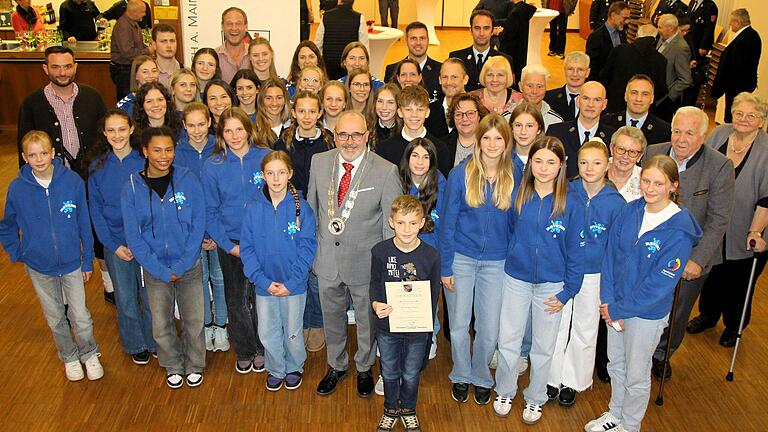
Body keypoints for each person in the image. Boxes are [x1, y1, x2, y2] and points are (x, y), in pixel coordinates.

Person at [585, 155, 702, 432]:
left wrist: (619, 309)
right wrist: (608, 301)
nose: (650, 188)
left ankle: (631, 424)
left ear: (673, 186)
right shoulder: (631, 210)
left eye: (658, 183)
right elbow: (610, 257)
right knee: (616, 365)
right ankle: (615, 413)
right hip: (614, 306)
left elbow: (660, 284)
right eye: (646, 181)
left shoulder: (679, 229)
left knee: (636, 374)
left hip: (645, 314)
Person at [306, 110, 401, 398]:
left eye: (356, 134)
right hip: (327, 260)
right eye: (343, 134)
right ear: (334, 135)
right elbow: (312, 211)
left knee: (366, 320)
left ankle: (363, 367)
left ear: (367, 136)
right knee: (331, 317)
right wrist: (311, 254)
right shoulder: (319, 162)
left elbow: (390, 226)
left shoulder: (386, 171)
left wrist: (387, 269)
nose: (349, 141)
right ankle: (336, 364)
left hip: (366, 263)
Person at [0, 130, 103, 382]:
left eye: (44, 153)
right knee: (56, 317)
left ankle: (89, 353)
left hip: (71, 263)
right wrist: (18, 252)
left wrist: (87, 257)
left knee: (80, 316)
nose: (39, 159)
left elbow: (83, 223)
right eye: (32, 155)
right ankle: (69, 357)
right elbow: (7, 225)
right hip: (39, 267)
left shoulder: (72, 183)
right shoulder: (17, 189)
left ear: (53, 153)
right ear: (24, 158)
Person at [493, 135, 582, 422]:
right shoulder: (519, 194)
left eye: (551, 162)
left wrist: (568, 291)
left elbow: (575, 251)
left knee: (544, 346)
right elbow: (509, 232)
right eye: (538, 161)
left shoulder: (572, 202)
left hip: (552, 285)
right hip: (516, 278)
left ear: (561, 166)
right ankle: (505, 389)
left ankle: (535, 397)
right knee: (509, 340)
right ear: (530, 163)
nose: (543, 168)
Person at [645, 107, 735, 381]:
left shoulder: (720, 166)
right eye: (676, 131)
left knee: (677, 312)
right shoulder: (652, 153)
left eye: (689, 133)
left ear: (703, 136)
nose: (681, 139)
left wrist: (697, 259)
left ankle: (662, 355)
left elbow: (719, 219)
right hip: (649, 252)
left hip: (689, 258)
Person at [439, 113, 517, 406]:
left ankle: (482, 375)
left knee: (489, 327)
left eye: (498, 138)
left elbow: (516, 223)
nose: (492, 143)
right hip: (461, 258)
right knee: (459, 324)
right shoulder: (462, 174)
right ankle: (461, 373)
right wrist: (446, 265)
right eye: (487, 138)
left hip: (497, 262)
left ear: (506, 142)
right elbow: (447, 223)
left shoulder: (515, 173)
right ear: (478, 140)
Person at [121, 126, 206, 389]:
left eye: (169, 150)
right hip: (154, 268)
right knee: (160, 323)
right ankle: (172, 364)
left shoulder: (188, 179)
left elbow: (198, 223)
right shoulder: (132, 186)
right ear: (145, 151)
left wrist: (182, 263)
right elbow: (133, 235)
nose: (163, 155)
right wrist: (157, 268)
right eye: (157, 150)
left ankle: (194, 364)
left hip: (188, 264)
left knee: (194, 320)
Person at [547, 140, 625, 408]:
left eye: (596, 163)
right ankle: (551, 376)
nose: (589, 168)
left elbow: (617, 247)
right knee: (557, 324)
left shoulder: (616, 203)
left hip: (594, 273)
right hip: (564, 267)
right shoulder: (567, 191)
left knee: (585, 326)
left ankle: (573, 380)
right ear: (575, 165)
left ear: (608, 165)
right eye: (583, 162)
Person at [689, 93, 768, 348]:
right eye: (739, 114)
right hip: (713, 219)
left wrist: (755, 231)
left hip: (749, 225)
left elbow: (767, 199)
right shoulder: (719, 134)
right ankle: (708, 315)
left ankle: (734, 326)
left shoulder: (766, 151)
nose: (744, 119)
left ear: (762, 121)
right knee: (711, 271)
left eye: (751, 115)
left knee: (739, 279)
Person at [241, 150, 318, 391]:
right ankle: (275, 368)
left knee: (293, 331)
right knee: (267, 331)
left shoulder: (302, 209)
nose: (276, 179)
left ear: (290, 174)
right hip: (265, 286)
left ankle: (294, 366)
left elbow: (307, 248)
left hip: (292, 286)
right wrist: (262, 281)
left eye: (281, 173)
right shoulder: (253, 208)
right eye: (270, 173)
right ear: (262, 175)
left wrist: (293, 282)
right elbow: (248, 248)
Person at [203, 107, 271, 374]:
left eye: (239, 129)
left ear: (248, 130)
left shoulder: (265, 156)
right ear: (220, 134)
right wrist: (229, 246)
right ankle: (245, 348)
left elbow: (277, 197)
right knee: (236, 298)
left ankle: (264, 346)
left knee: (261, 296)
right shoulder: (213, 165)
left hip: (262, 240)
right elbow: (210, 210)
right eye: (228, 130)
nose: (234, 136)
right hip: (230, 241)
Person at [86, 109, 155, 365]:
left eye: (122, 129)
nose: (117, 135)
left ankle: (154, 339)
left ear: (132, 129)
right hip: (116, 245)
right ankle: (135, 343)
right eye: (111, 130)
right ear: (105, 133)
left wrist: (146, 242)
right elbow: (96, 210)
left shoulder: (144, 161)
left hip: (147, 243)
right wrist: (113, 245)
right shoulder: (97, 166)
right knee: (126, 299)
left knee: (150, 297)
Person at [370, 195, 440, 432]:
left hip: (417, 328)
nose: (406, 229)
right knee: (389, 370)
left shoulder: (431, 256)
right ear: (391, 222)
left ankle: (408, 409)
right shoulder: (380, 251)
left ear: (422, 223)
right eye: (401, 223)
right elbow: (375, 284)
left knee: (411, 372)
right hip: (387, 326)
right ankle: (390, 409)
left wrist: (427, 330)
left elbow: (432, 298)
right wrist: (375, 303)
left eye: (412, 223)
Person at [274, 92, 335, 354]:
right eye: (302, 111)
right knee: (299, 262)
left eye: (313, 111)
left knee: (317, 267)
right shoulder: (283, 141)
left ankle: (317, 321)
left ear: (320, 113)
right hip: (292, 211)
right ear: (294, 112)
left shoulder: (329, 141)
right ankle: (299, 321)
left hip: (322, 211)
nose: (307, 117)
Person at [174, 102, 229, 353]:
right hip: (190, 232)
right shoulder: (176, 153)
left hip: (217, 229)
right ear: (184, 126)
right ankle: (206, 326)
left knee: (219, 278)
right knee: (199, 280)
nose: (196, 130)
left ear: (210, 123)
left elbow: (222, 195)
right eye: (191, 125)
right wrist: (196, 234)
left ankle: (222, 325)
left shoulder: (219, 149)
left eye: (201, 124)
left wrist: (215, 233)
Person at [18, 45, 107, 178]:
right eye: (55, 67)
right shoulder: (31, 103)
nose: (62, 73)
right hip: (52, 177)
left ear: (76, 67)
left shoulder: (93, 97)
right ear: (45, 69)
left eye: (67, 66)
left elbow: (104, 136)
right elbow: (24, 145)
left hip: (92, 174)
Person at [377, 85, 451, 177]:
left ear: (427, 112)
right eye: (408, 109)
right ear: (400, 112)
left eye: (420, 109)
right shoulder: (384, 150)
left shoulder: (440, 149)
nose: (414, 115)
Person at [547, 81, 615, 178]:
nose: (590, 105)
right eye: (586, 98)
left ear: (604, 104)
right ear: (578, 101)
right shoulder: (556, 132)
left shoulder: (612, 137)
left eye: (597, 100)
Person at [600, 24, 668, 114]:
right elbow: (661, 89)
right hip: (644, 111)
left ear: (637, 35)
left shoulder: (620, 50)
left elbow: (604, 76)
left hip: (616, 107)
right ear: (655, 38)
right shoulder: (661, 59)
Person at [711, 9, 762, 124]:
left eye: (731, 22)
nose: (729, 25)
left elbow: (735, 67)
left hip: (736, 87)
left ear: (737, 22)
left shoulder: (743, 39)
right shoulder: (753, 35)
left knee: (732, 117)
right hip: (743, 85)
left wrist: (721, 86)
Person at [449, 9, 514, 92]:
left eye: (486, 28)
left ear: (492, 31)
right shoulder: (457, 58)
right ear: (471, 30)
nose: (481, 33)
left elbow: (510, 90)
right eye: (477, 28)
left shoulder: (505, 59)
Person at [602, 75, 671, 146]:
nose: (639, 99)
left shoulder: (663, 130)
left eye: (645, 94)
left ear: (652, 99)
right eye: (634, 93)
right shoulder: (606, 122)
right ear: (625, 96)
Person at [384, 22, 442, 101]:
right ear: (406, 41)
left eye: (422, 38)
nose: (418, 43)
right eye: (413, 38)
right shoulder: (391, 70)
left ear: (428, 40)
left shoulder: (440, 70)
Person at [315, 0, 370, 80]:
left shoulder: (326, 16)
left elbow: (318, 44)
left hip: (329, 67)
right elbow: (364, 48)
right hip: (350, 67)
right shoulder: (359, 18)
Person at [110, 0, 153, 101]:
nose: (145, 14)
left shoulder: (133, 23)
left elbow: (138, 45)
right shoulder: (123, 26)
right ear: (134, 12)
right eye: (143, 11)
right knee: (126, 99)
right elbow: (127, 52)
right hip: (123, 71)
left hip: (128, 69)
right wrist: (148, 51)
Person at [655, 14, 693, 123]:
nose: (658, 30)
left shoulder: (681, 47)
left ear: (670, 28)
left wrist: (669, 96)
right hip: (656, 98)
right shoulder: (662, 40)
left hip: (665, 102)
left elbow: (685, 79)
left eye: (660, 27)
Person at [586, 1, 630, 82]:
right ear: (613, 15)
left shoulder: (622, 34)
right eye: (625, 18)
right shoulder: (596, 37)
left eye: (628, 18)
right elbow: (593, 68)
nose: (627, 22)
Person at [425, 59, 469, 138]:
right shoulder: (429, 111)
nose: (448, 82)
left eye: (454, 77)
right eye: (445, 77)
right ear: (439, 80)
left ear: (465, 79)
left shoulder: (477, 109)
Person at [444, 92, 489, 169]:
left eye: (470, 113)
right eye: (458, 114)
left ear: (479, 116)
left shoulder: (490, 144)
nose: (464, 119)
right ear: (453, 118)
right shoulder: (442, 146)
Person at [471, 56, 522, 120]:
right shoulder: (472, 98)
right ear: (483, 76)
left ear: (507, 77)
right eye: (490, 75)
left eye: (500, 75)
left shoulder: (520, 100)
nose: (495, 79)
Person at [544, 51, 589, 122]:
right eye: (570, 69)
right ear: (564, 71)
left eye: (580, 70)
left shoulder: (595, 102)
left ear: (587, 72)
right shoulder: (548, 98)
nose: (575, 74)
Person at [607, 126, 647, 203]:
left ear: (640, 156)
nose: (625, 157)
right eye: (621, 149)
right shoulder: (596, 170)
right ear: (612, 149)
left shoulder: (646, 180)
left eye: (632, 152)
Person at [500, 0, 536, 81]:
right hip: (521, 47)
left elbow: (507, 35)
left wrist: (499, 33)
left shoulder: (515, 12)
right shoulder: (526, 9)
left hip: (512, 50)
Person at [519, 64, 563, 130]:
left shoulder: (556, 122)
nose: (534, 91)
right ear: (520, 86)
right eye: (530, 86)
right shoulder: (507, 118)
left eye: (539, 86)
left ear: (546, 88)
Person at [216, 7, 251, 83]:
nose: (234, 28)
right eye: (229, 24)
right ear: (222, 27)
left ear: (246, 27)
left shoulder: (255, 55)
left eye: (238, 23)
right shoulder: (214, 57)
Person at [254, 80, 291, 148]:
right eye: (269, 98)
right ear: (261, 101)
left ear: (285, 100)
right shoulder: (254, 130)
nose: (274, 103)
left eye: (279, 98)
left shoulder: (293, 128)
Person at [372, 84, 401, 148]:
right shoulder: (367, 127)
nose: (384, 107)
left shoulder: (404, 131)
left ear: (398, 105)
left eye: (390, 102)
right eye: (380, 101)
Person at [151, 24, 180, 88]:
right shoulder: (148, 75)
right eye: (164, 41)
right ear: (154, 44)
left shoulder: (186, 72)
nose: (169, 45)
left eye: (172, 41)